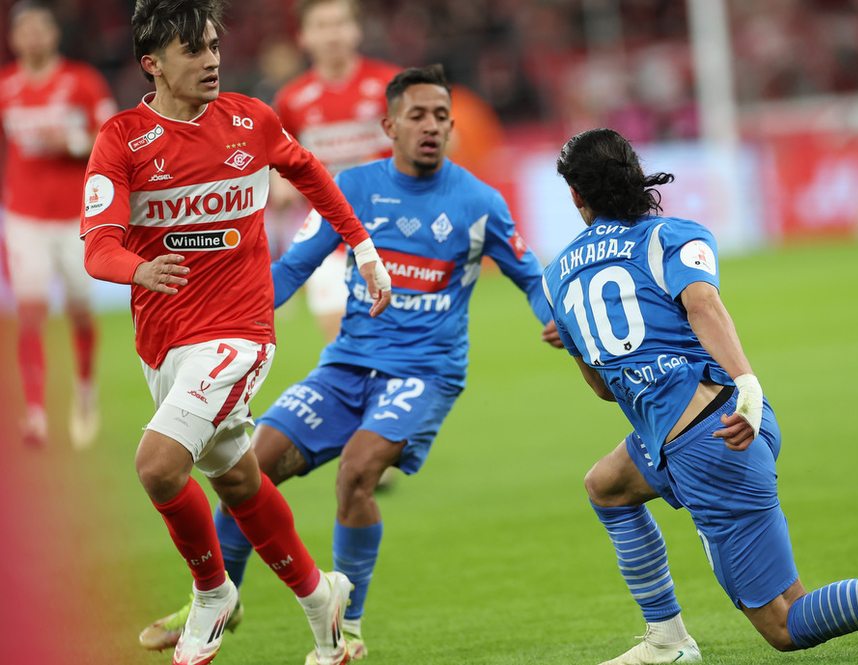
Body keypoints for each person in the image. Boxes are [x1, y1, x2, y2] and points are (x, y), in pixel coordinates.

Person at [542, 128, 858, 665]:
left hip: (712, 447)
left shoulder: (556, 280)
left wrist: (587, 342)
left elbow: (602, 388)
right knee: (607, 486)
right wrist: (748, 386)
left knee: (785, 625)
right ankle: (666, 641)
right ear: (636, 175)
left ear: (576, 195)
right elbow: (701, 303)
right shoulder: (671, 236)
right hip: (725, 418)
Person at [141, 64, 561, 663]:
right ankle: (217, 599)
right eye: (417, 115)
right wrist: (226, 316)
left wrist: (555, 317)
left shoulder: (479, 202)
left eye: (441, 117)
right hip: (345, 368)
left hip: (423, 373)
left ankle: (350, 626)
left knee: (357, 474)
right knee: (246, 470)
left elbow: (531, 276)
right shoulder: (353, 190)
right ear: (389, 125)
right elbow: (293, 266)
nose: (431, 126)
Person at [80, 1, 393, 664]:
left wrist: (362, 246)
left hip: (240, 331)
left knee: (158, 466)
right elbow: (99, 249)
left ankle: (213, 590)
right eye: (193, 50)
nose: (211, 60)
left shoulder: (251, 119)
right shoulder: (123, 139)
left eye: (214, 46)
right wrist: (140, 269)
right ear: (152, 63)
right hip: (165, 340)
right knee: (240, 482)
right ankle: (322, 602)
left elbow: (309, 172)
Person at [0, 0, 116, 449]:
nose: (33, 36)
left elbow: (111, 139)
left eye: (40, 28)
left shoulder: (82, 81)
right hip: (24, 217)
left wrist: (71, 142)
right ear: (13, 39)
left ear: (54, 34)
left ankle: (85, 392)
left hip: (76, 218)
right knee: (29, 314)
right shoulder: (6, 87)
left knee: (80, 312)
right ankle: (35, 413)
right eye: (24, 29)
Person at [272, 0, 402, 341]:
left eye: (340, 23)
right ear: (303, 36)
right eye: (321, 25)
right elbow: (276, 157)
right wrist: (279, 183)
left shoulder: (393, 85)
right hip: (328, 236)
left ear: (356, 30)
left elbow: (436, 145)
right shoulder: (291, 100)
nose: (332, 34)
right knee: (343, 347)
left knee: (401, 349)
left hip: (394, 232)